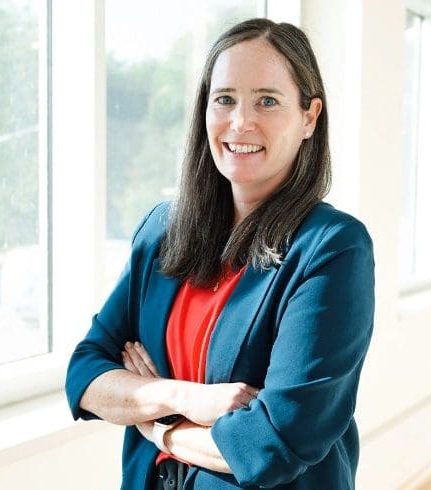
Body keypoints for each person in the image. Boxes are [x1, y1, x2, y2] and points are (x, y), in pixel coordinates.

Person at [65, 17, 375, 490]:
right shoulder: (161, 231)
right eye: (225, 99)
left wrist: (154, 424)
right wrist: (185, 398)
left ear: (309, 117)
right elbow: (86, 374)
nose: (240, 122)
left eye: (267, 101)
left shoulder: (332, 249)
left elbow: (271, 446)